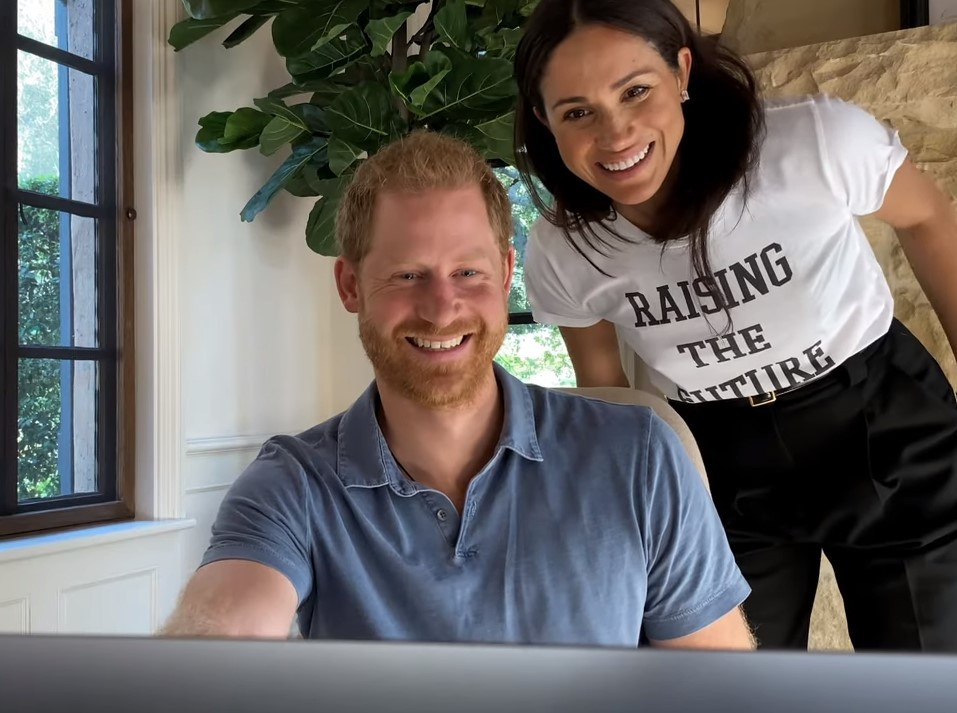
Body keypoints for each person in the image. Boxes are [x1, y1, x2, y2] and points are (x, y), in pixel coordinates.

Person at [160, 131, 754, 649]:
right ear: (350, 286)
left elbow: (719, 684)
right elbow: (223, 631)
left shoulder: (640, 455)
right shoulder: (293, 484)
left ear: (505, 275)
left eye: (468, 273)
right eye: (407, 275)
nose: (442, 310)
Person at [514, 0, 957, 652]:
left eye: (635, 91)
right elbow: (603, 388)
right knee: (728, 686)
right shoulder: (563, 247)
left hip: (878, 422)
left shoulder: (811, 142)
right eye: (576, 111)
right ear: (542, 120)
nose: (614, 133)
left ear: (682, 71)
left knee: (924, 677)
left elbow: (927, 218)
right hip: (719, 462)